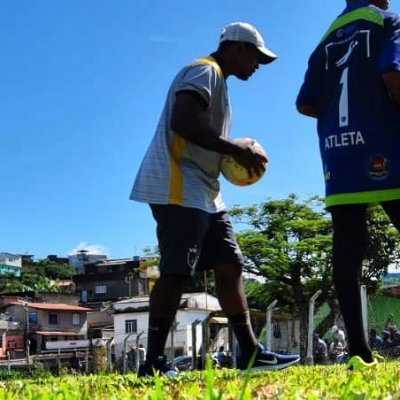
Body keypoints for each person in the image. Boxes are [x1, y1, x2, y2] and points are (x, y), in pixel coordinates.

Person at [131, 21, 300, 377]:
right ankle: (153, 363)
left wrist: (228, 155)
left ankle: (251, 354)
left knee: (230, 264)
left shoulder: (218, 81)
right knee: (176, 271)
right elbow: (183, 121)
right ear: (238, 48)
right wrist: (233, 148)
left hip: (205, 191)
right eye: (256, 58)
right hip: (177, 184)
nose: (257, 66)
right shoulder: (204, 70)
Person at [296, 0, 400, 370]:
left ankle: (358, 352)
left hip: (338, 153)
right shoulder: (388, 20)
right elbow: (393, 75)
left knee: (348, 248)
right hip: (386, 144)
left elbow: (305, 103)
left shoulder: (326, 37)